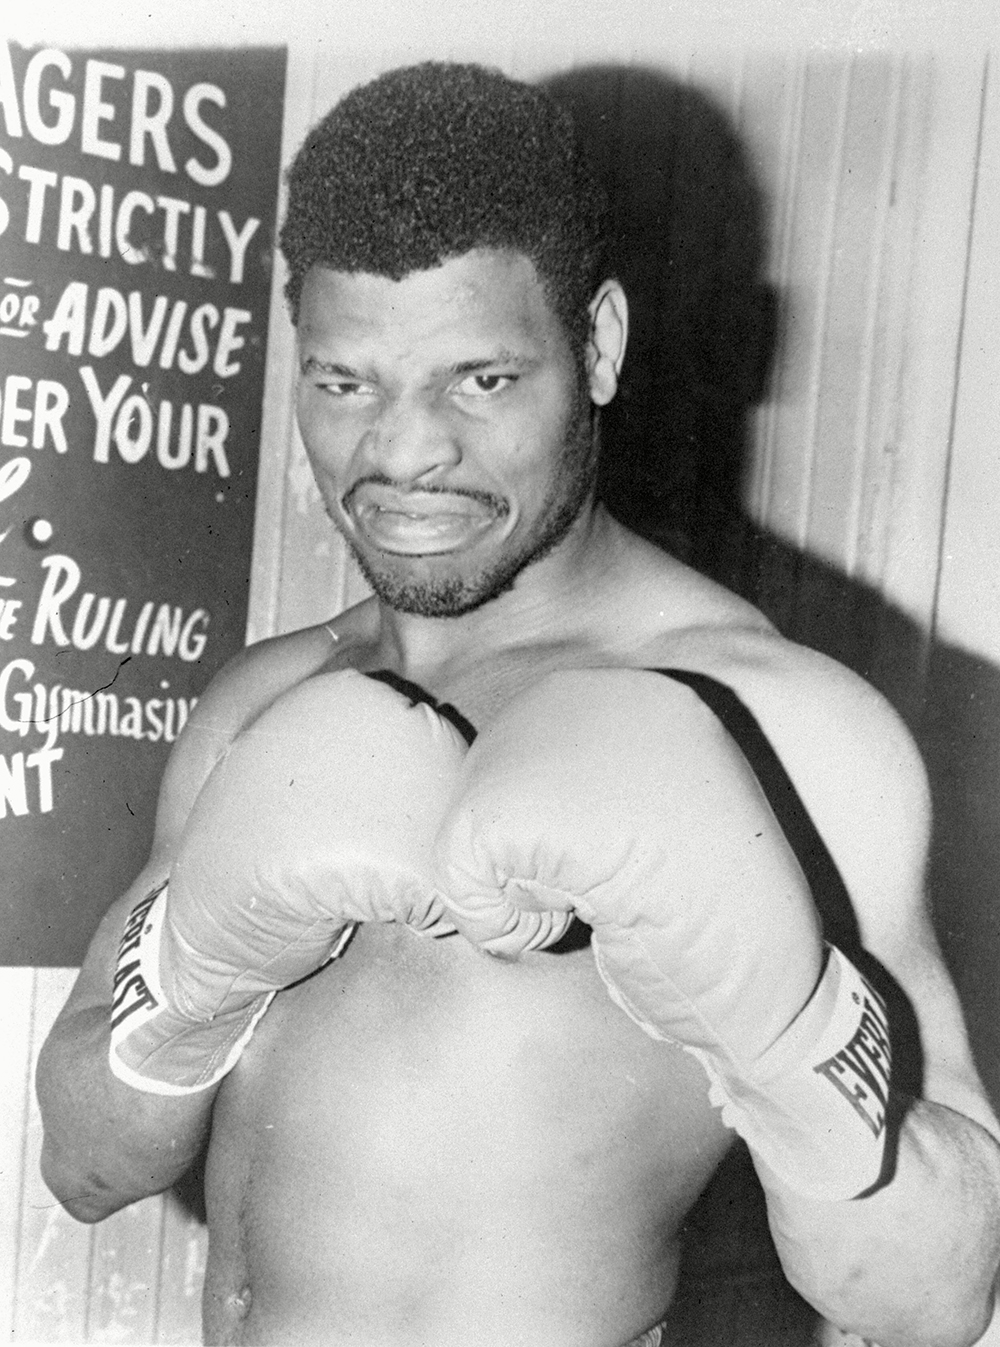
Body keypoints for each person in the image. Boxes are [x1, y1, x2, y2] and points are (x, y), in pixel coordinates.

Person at [36, 61, 1000, 1347]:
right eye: (345, 382)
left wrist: (788, 1039)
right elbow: (86, 1167)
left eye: (477, 379)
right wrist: (195, 978)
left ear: (595, 345)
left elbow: (939, 1300)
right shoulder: (266, 697)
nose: (403, 452)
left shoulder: (769, 720)